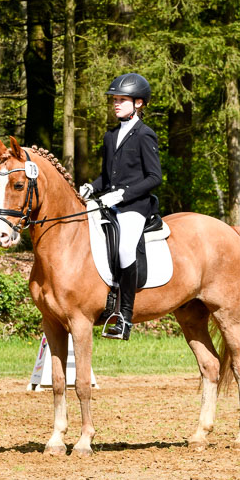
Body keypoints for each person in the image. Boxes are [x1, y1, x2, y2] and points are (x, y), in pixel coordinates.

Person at [80, 73, 162, 340]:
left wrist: (123, 195)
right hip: (109, 204)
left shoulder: (145, 135)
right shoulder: (110, 135)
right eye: (114, 99)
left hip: (136, 207)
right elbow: (108, 176)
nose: (116, 104)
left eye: (122, 100)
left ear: (138, 103)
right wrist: (92, 186)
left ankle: (124, 318)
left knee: (126, 247)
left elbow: (154, 177)